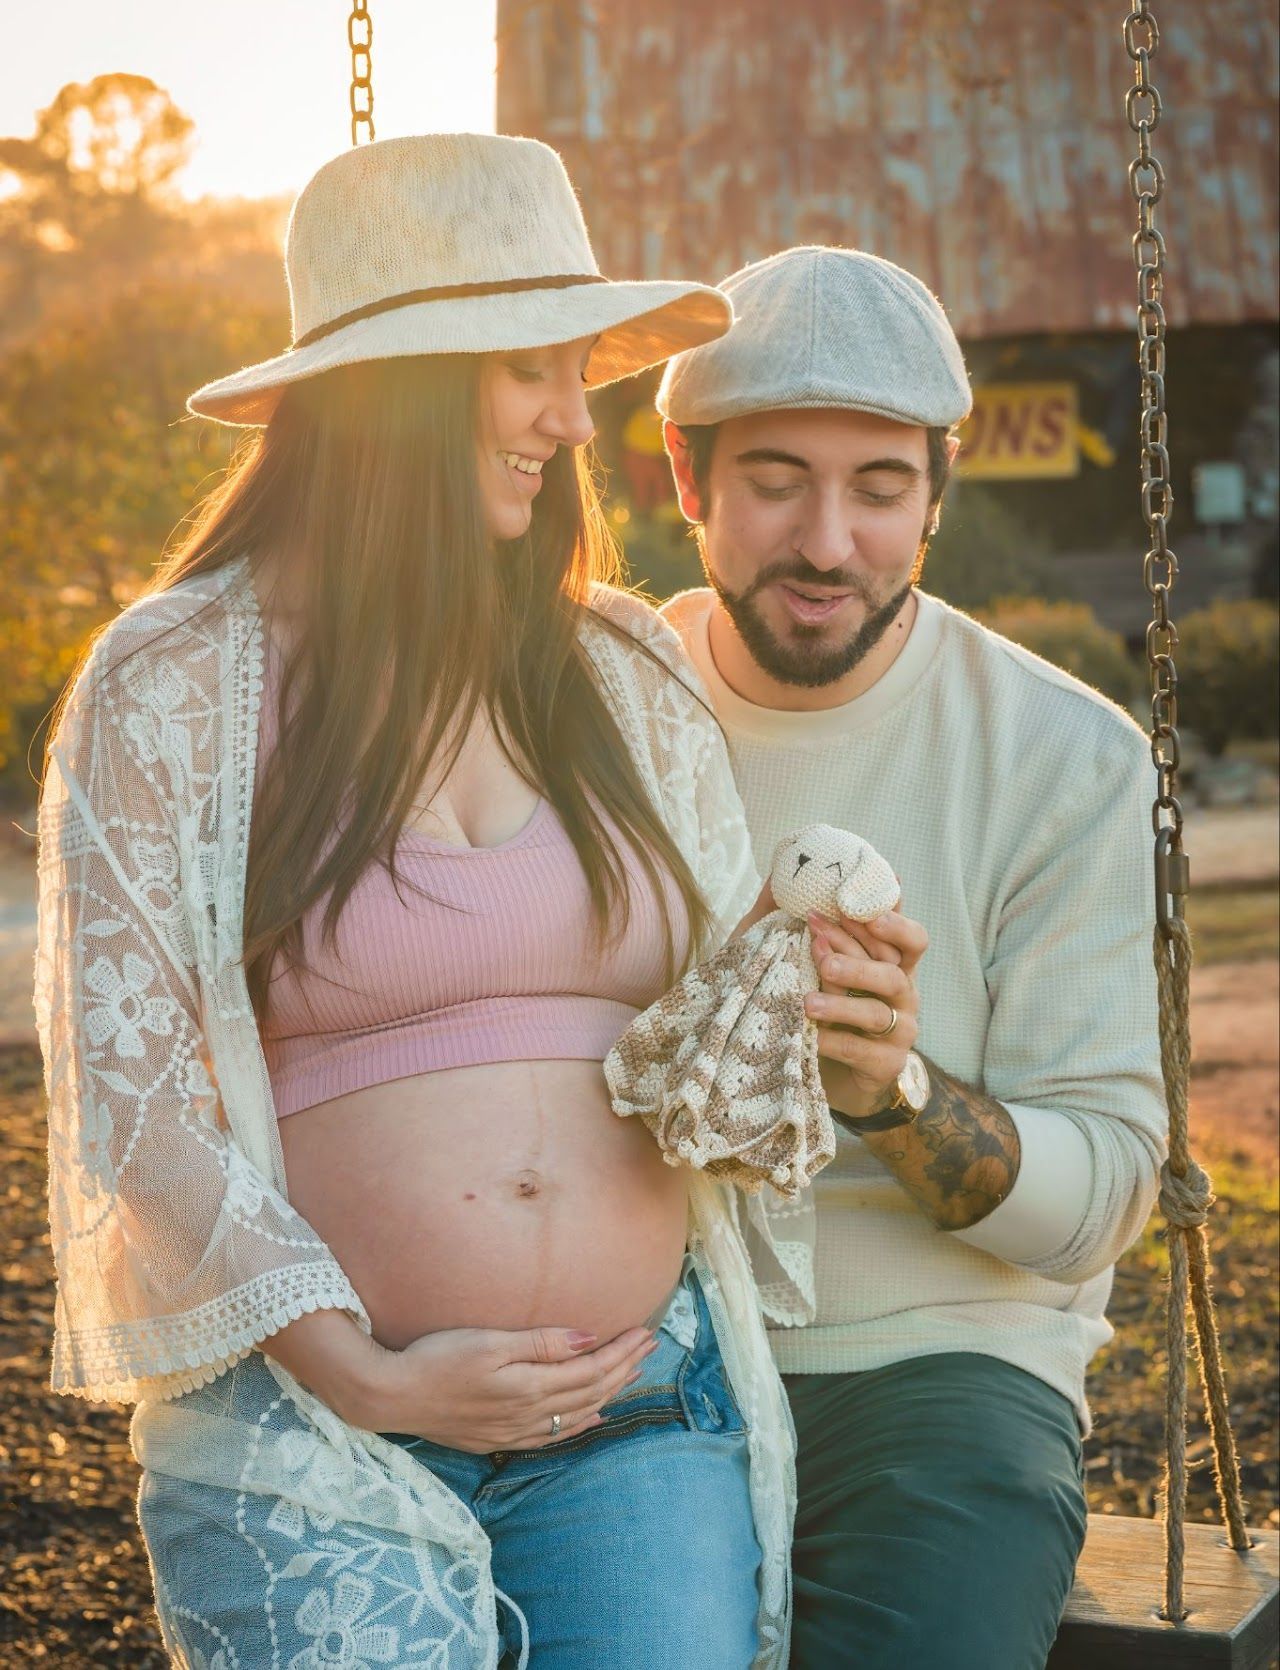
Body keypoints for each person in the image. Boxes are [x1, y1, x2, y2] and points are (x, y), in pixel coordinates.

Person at [35, 134, 799, 1670]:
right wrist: (361, 1368)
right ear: (400, 384)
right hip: (313, 1428)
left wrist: (803, 1003)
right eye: (532, 369)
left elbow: (719, 1026)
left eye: (575, 369)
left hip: (635, 1413)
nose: (570, 420)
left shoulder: (623, 679)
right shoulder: (178, 683)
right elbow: (134, 1090)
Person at [655, 245, 1166, 1669]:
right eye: (775, 478)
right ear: (687, 481)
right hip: (634, 1337)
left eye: (880, 486)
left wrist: (891, 1087)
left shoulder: (1061, 756)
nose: (828, 540)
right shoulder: (600, 710)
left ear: (936, 496)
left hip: (940, 1367)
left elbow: (1109, 1190)